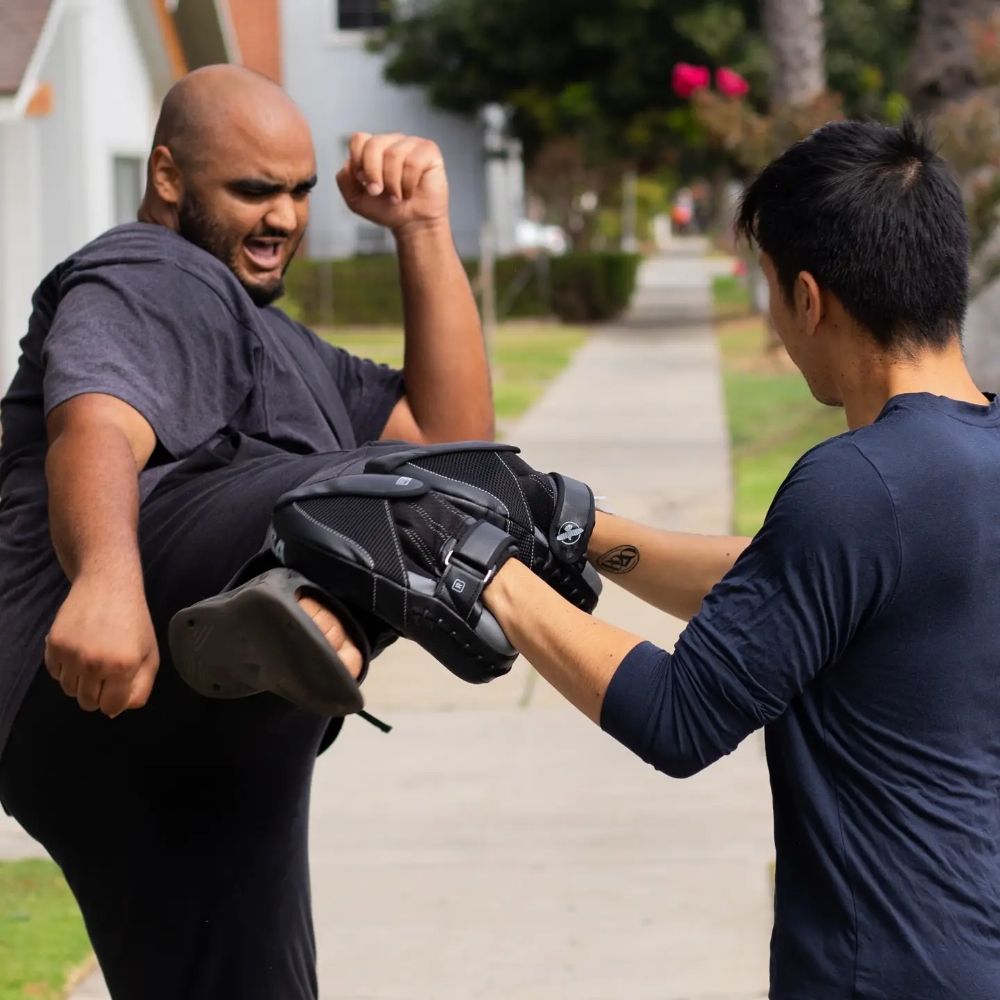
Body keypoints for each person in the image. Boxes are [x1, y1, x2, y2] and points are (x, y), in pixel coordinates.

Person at [366, 120, 998, 997]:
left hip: (878, 973)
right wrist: (574, 525)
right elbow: (785, 583)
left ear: (809, 299)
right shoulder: (965, 465)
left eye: (771, 290)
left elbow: (680, 718)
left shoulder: (855, 485)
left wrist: (476, 563)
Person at [0, 64, 493, 998]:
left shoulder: (288, 349)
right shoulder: (152, 269)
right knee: (344, 496)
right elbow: (97, 419)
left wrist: (423, 227)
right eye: (254, 190)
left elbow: (453, 448)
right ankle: (296, 595)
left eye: (300, 190)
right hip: (99, 656)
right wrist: (104, 580)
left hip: (197, 726)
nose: (285, 217)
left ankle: (295, 613)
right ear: (169, 176)